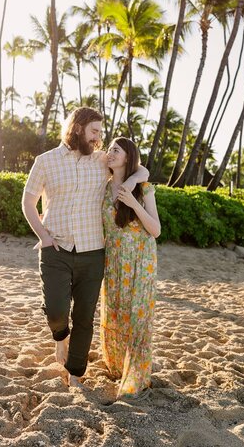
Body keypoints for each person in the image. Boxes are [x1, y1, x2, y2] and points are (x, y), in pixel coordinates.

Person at [21, 108, 148, 388]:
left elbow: (141, 168)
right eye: (94, 131)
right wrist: (43, 236)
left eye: (100, 133)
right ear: (78, 128)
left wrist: (129, 184)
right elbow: (28, 203)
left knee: (84, 317)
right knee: (55, 311)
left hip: (92, 252)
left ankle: (76, 373)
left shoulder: (102, 160)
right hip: (55, 247)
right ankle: (59, 337)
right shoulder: (46, 161)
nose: (98, 138)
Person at [100, 137, 161, 400]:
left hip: (141, 260)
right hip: (113, 259)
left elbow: (156, 230)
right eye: (109, 149)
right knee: (115, 312)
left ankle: (136, 374)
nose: (110, 153)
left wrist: (133, 201)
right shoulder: (102, 187)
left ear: (128, 156)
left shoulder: (143, 188)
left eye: (116, 150)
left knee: (137, 316)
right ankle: (115, 368)